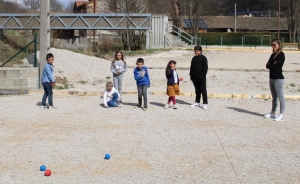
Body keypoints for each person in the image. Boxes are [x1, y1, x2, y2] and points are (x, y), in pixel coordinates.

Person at [264, 38, 286, 121]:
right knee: (274, 97)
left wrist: (272, 64)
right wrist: (272, 64)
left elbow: (274, 66)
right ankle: (273, 113)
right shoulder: (273, 55)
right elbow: (267, 65)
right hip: (271, 78)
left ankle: (281, 115)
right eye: (272, 45)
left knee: (281, 97)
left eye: (275, 45)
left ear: (279, 45)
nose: (273, 46)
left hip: (278, 79)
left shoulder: (281, 55)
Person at [189, 45, 208, 109]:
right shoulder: (193, 58)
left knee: (203, 89)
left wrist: (203, 75)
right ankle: (197, 102)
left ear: (201, 51)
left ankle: (205, 103)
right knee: (197, 90)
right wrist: (191, 75)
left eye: (197, 51)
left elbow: (205, 68)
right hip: (195, 77)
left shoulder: (203, 58)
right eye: (195, 51)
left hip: (201, 77)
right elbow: (191, 67)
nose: (196, 52)